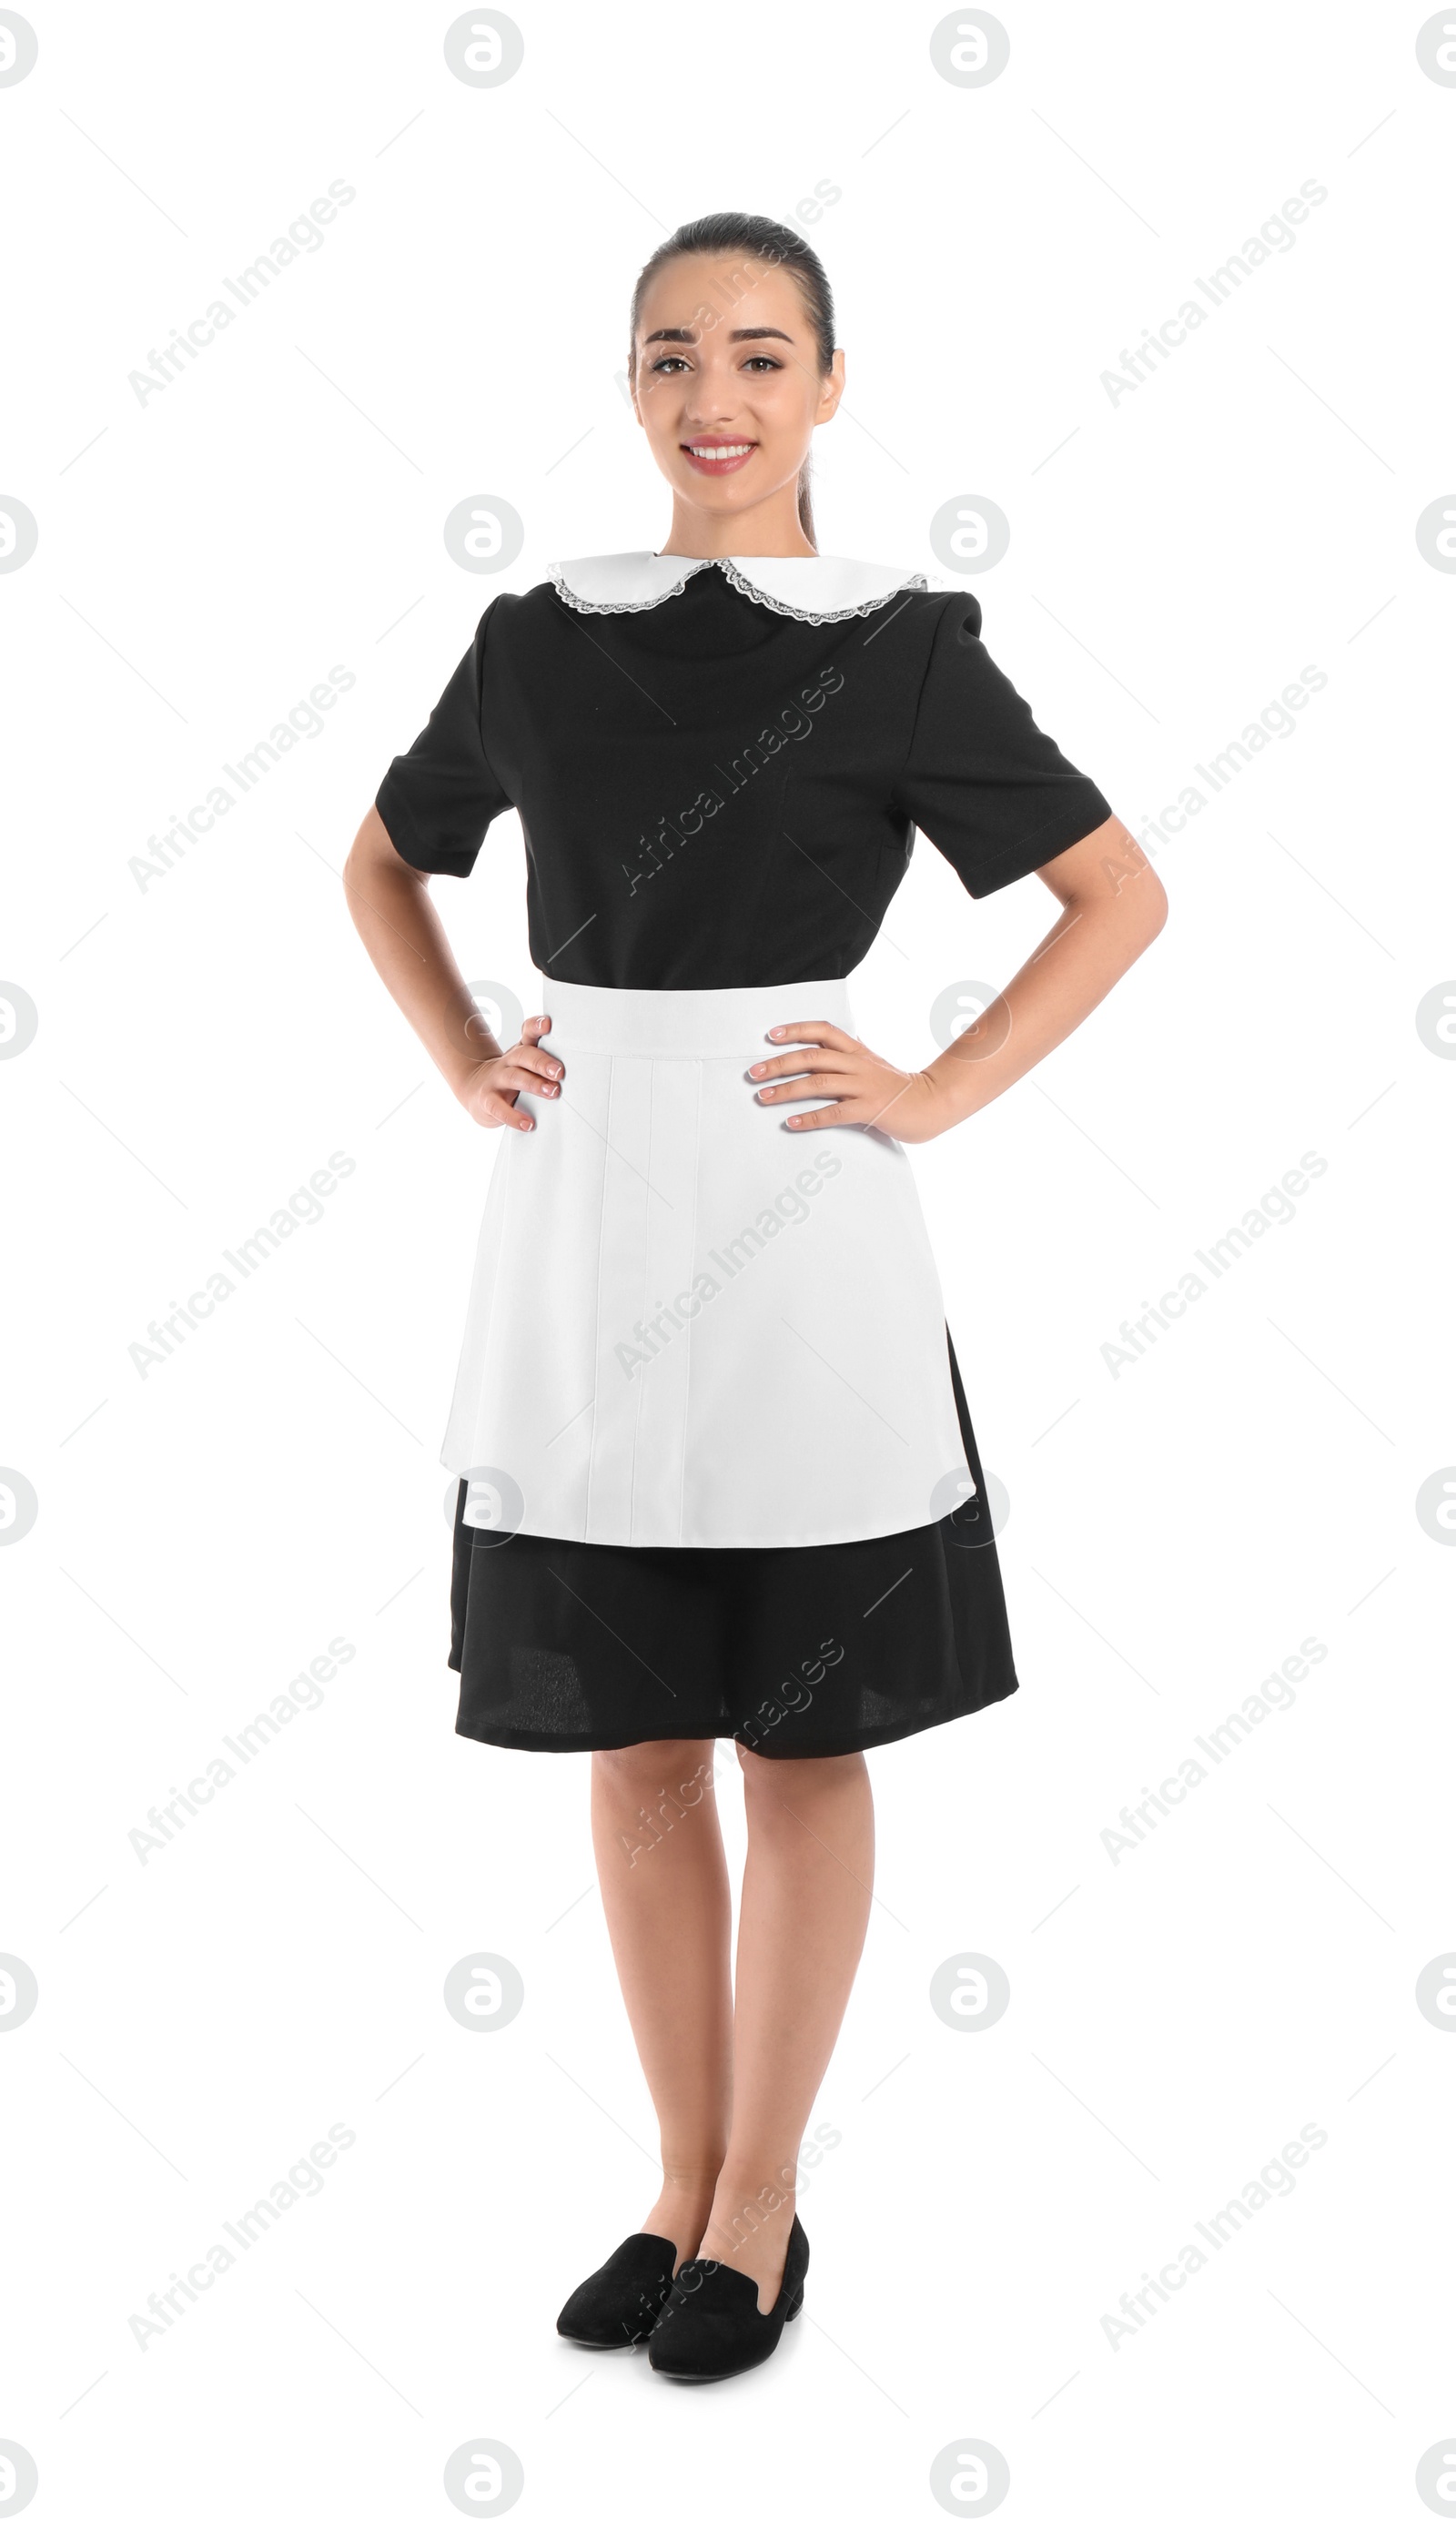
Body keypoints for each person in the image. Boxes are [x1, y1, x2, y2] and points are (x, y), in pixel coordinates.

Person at [344, 211, 1166, 2384]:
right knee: (628, 1747)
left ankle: (766, 2199)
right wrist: (464, 1053)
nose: (713, 396)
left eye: (759, 355)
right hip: (581, 1207)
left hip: (800, 1225)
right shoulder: (535, 637)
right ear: (628, 387)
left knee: (801, 1736)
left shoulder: (892, 643)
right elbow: (383, 858)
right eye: (671, 355)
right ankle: (670, 2173)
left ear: (824, 385)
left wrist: (936, 1087)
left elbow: (1113, 890)